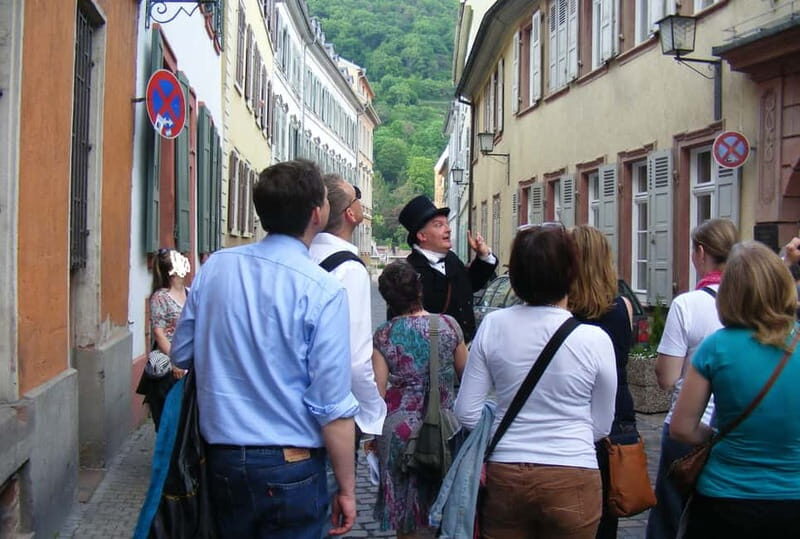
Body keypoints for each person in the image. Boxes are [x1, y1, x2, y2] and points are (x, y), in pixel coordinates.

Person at [171, 159, 359, 538]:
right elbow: (332, 404)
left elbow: (182, 354)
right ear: (317, 214)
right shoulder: (323, 290)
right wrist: (347, 489)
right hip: (290, 464)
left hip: (221, 458)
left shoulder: (215, 269)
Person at [455, 224, 617, 539]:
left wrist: (500, 416)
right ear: (572, 273)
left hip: (508, 472)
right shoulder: (595, 339)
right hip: (573, 471)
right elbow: (601, 425)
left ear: (515, 275)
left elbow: (467, 413)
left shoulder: (494, 326)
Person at [671, 241, 800, 537]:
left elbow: (682, 428)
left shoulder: (716, 347)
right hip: (793, 495)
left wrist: (717, 436)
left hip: (725, 495)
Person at [646, 218, 738, 539]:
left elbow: (668, 377)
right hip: (733, 428)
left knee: (668, 518)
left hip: (686, 426)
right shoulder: (749, 304)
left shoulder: (687, 304)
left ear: (700, 253)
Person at [371, 260, 467, 538]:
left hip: (400, 431)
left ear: (388, 298)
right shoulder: (449, 325)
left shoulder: (384, 334)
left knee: (407, 516)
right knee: (444, 502)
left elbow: (378, 391)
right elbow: (469, 377)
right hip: (444, 427)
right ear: (419, 289)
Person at [568, 225, 636, 539]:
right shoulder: (623, 306)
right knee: (608, 510)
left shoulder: (565, 309)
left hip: (576, 414)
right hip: (616, 416)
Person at [309, 174, 386, 443]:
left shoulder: (303, 256)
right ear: (350, 213)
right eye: (357, 196)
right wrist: (373, 410)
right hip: (330, 413)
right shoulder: (350, 269)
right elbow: (355, 358)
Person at [397, 195, 497, 342]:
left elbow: (470, 285)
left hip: (465, 348)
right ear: (422, 235)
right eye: (438, 225)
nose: (448, 230)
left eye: (446, 224)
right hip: (432, 354)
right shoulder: (408, 272)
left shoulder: (452, 259)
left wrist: (483, 256)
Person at [135, 248, 190, 430]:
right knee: (170, 421)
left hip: (190, 364)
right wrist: (177, 361)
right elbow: (159, 333)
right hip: (171, 366)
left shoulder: (190, 293)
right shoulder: (160, 297)